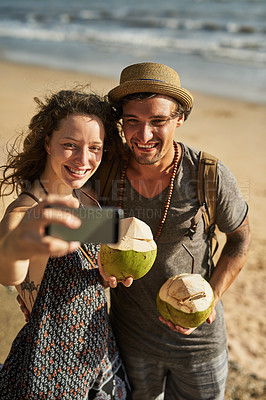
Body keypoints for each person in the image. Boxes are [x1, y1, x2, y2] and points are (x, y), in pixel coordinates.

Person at [92, 62, 251, 400]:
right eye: (132, 121)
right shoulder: (104, 172)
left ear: (180, 119)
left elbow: (239, 240)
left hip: (199, 345)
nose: (144, 135)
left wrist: (213, 297)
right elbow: (80, 230)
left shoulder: (207, 175)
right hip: (130, 340)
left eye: (158, 121)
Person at [0, 88, 132, 399]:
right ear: (47, 142)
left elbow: (94, 265)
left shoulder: (89, 197)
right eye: (70, 145)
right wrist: (18, 246)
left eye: (95, 148)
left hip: (98, 352)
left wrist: (108, 272)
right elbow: (9, 270)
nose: (84, 160)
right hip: (49, 367)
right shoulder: (25, 210)